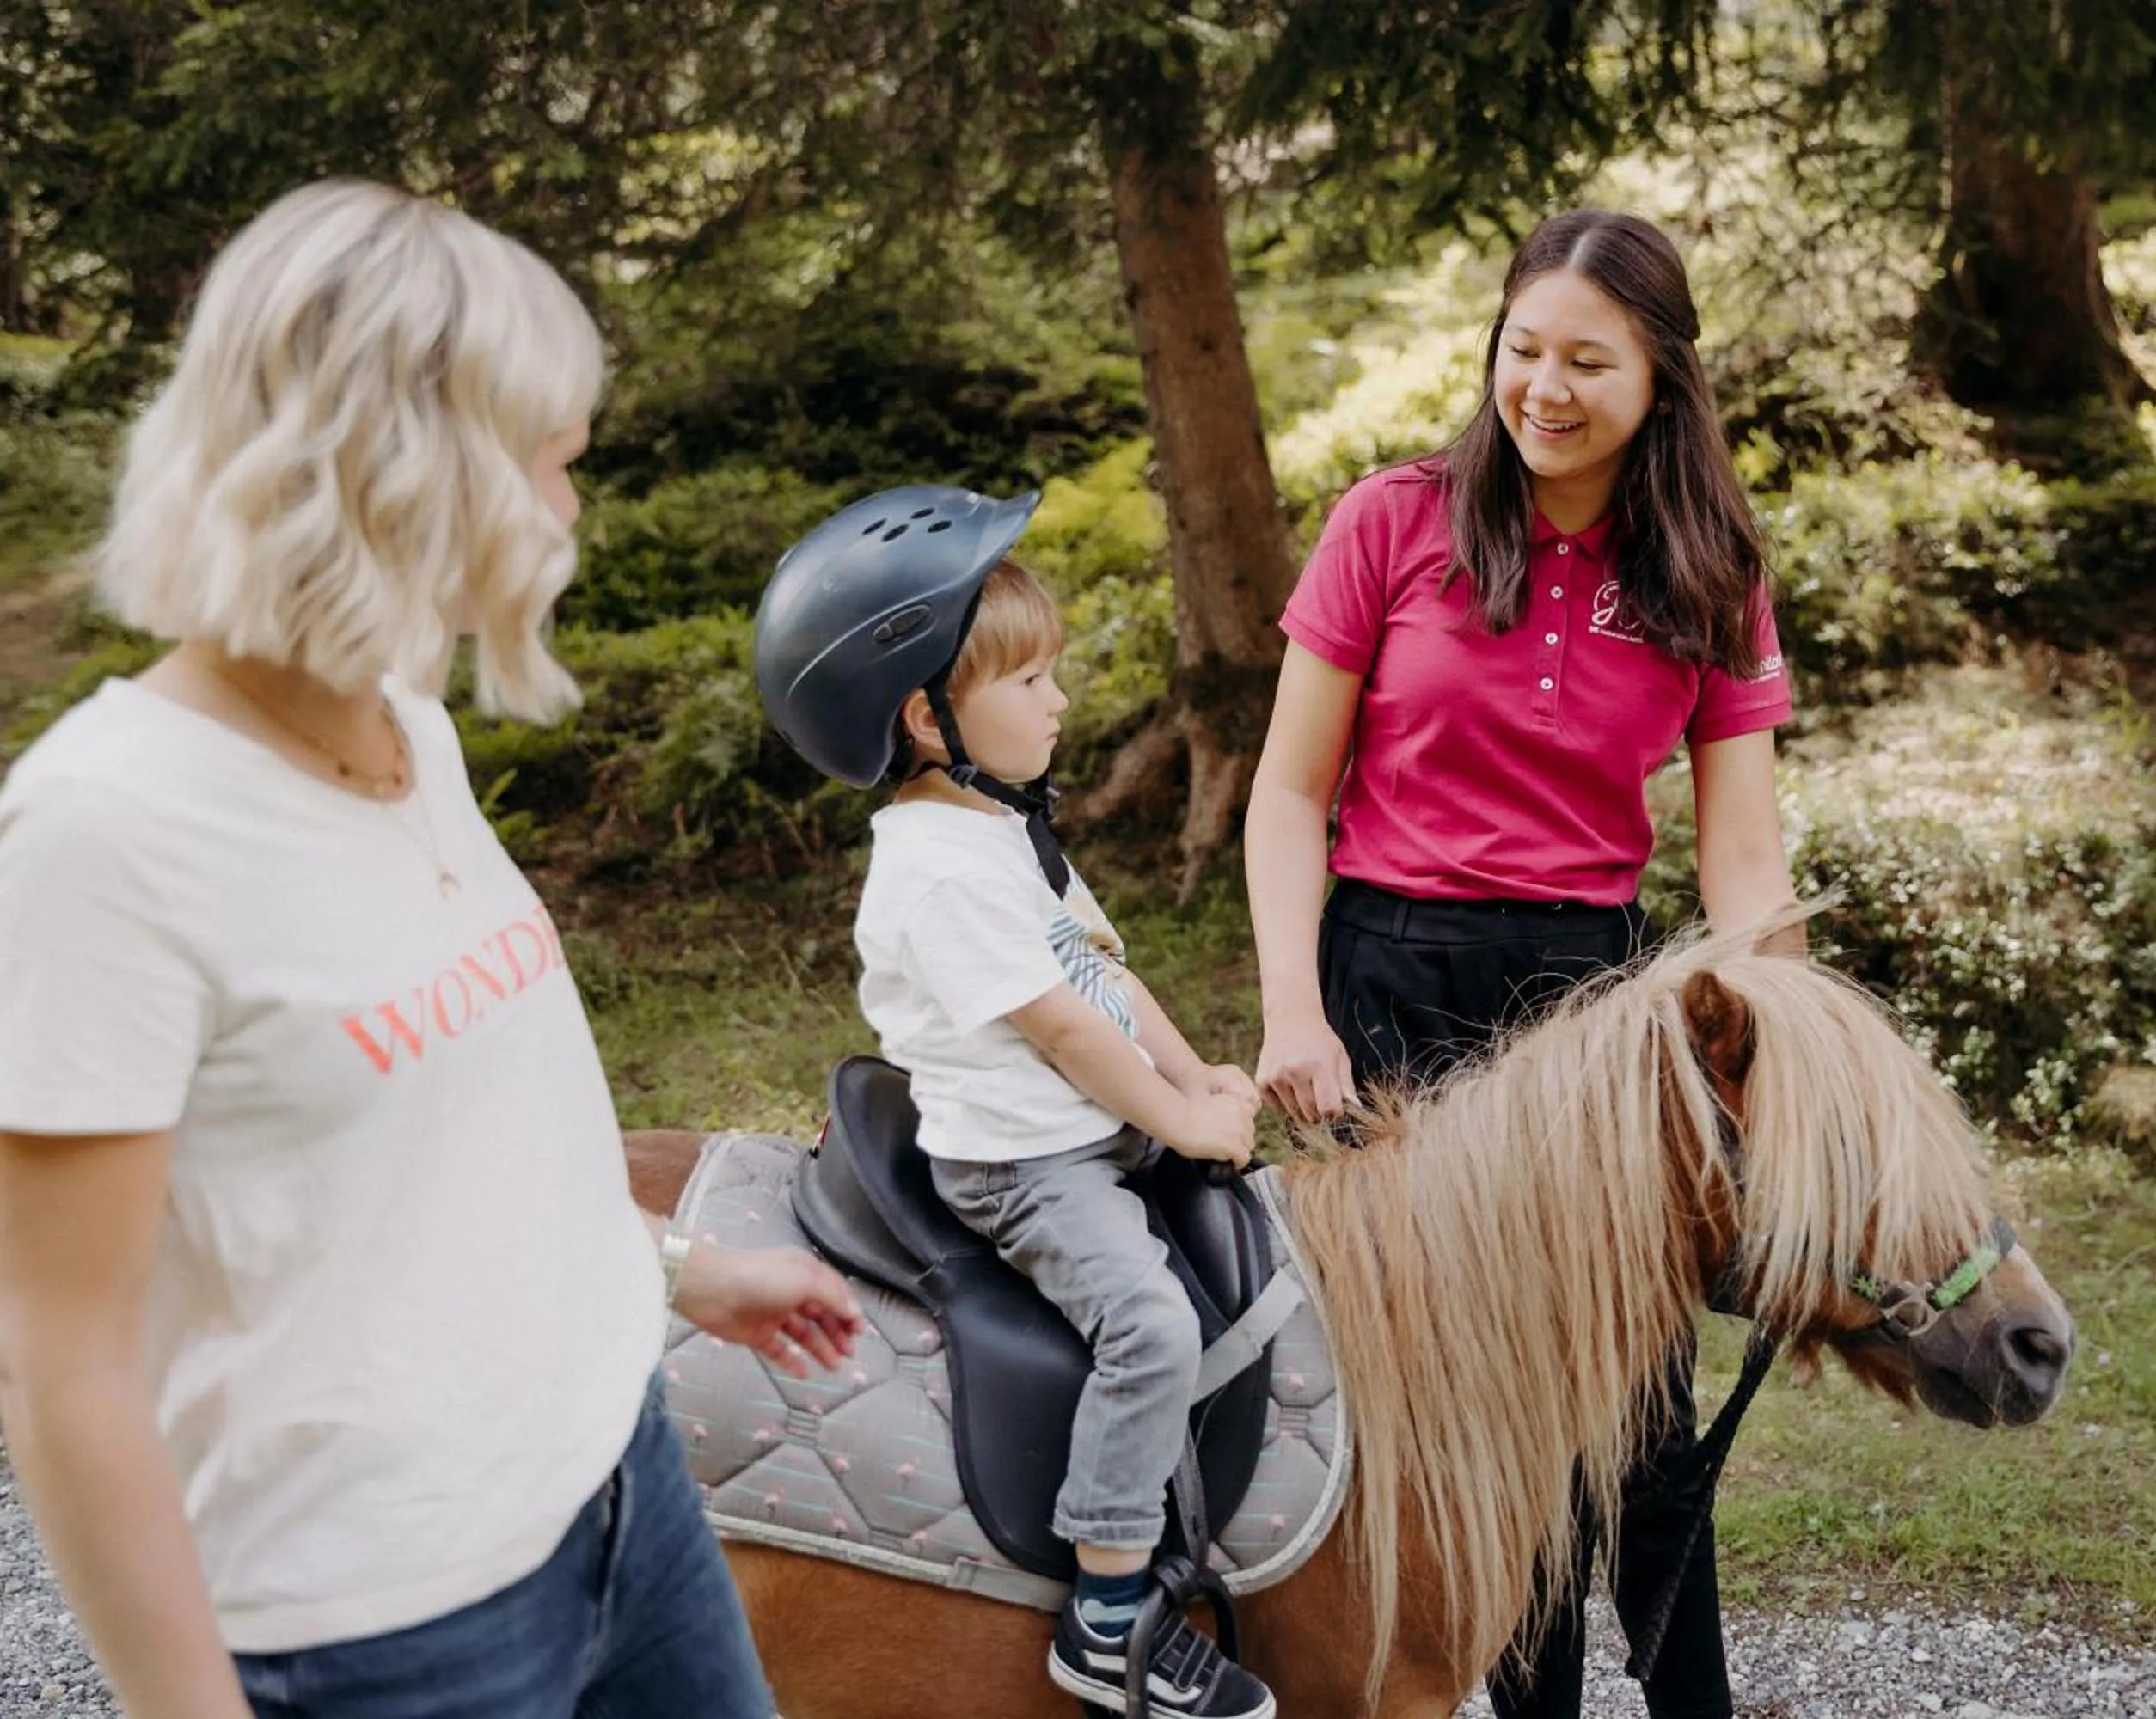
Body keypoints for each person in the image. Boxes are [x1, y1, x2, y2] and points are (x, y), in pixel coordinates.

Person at [0, 180, 862, 1719]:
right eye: (552, 462)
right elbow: (64, 1370)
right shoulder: (104, 834)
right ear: (409, 471)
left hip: (628, 1502)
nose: (568, 511)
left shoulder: (409, 735)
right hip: (385, 1630)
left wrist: (684, 1272)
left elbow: (457, 1162)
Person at [1244, 208, 1800, 1719]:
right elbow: (1289, 793)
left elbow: (1744, 859)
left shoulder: (1713, 566)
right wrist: (1294, 1011)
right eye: (1523, 350)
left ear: (1664, 375)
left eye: (1589, 362)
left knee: (1640, 1412)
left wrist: (1783, 1047)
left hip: (1593, 1004)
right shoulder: (1391, 522)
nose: (1545, 389)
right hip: (1392, 983)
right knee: (1468, 1419)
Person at [752, 486, 1275, 1719]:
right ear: (924, 716)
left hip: (1090, 1127)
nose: (1060, 701)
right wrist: (1179, 1121)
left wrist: (1192, 1075)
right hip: (1026, 1170)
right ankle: (1108, 1611)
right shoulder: (936, 870)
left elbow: (1104, 974)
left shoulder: (997, 826)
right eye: (1030, 679)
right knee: (1150, 1327)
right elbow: (1062, 1027)